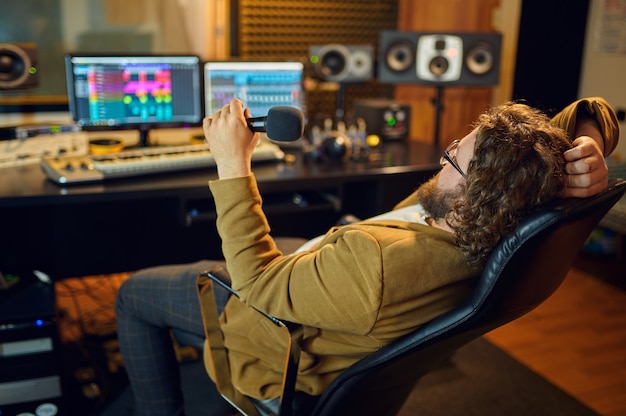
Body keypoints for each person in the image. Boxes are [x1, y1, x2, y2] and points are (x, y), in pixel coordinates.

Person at [115, 97, 619, 416]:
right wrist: (590, 144)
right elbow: (578, 119)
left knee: (134, 293)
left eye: (451, 160)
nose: (442, 161)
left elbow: (259, 285)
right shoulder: (498, 219)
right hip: (337, 287)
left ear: (474, 197)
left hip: (271, 335)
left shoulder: (379, 262)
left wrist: (232, 162)